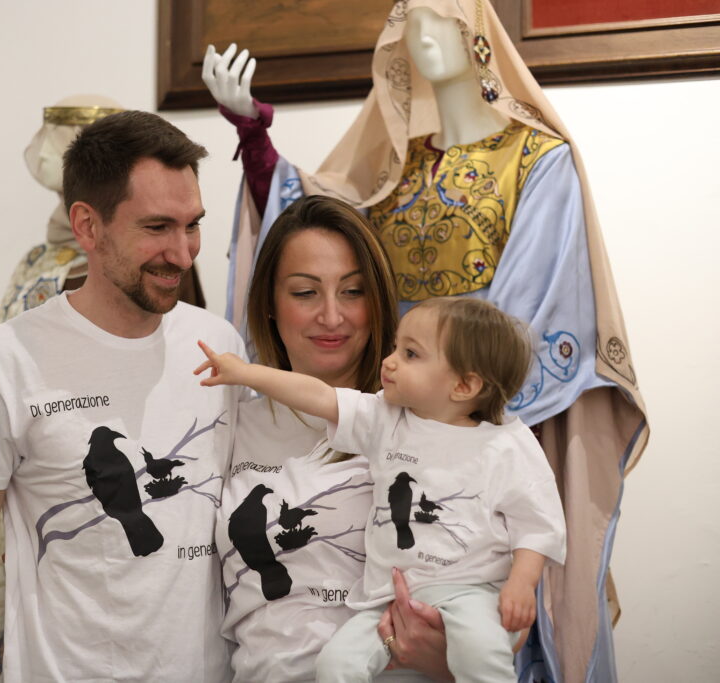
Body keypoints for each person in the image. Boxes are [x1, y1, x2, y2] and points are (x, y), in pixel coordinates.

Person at [202, 1, 647, 679]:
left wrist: (452, 395)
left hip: (488, 415)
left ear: (479, 39)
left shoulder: (536, 160)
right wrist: (254, 136)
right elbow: (308, 223)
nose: (421, 42)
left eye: (439, 23)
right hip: (397, 406)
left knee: (492, 606)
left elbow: (531, 315)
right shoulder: (396, 168)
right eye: (407, 29)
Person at [0, 111, 246, 682]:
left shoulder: (219, 346)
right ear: (87, 226)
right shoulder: (3, 364)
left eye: (192, 225)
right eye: (157, 228)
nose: (183, 254)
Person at [197, 296, 567, 682]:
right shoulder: (386, 420)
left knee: (480, 655)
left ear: (463, 385)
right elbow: (319, 396)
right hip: (383, 600)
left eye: (410, 354)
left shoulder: (507, 444)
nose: (389, 361)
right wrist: (247, 374)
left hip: (471, 593)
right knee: (335, 665)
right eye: (395, 347)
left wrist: (521, 584)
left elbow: (536, 525)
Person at [215, 194, 456, 682]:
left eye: (353, 291)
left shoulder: (433, 421)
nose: (331, 316)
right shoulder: (228, 424)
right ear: (269, 305)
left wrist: (441, 659)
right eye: (305, 293)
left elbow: (504, 606)